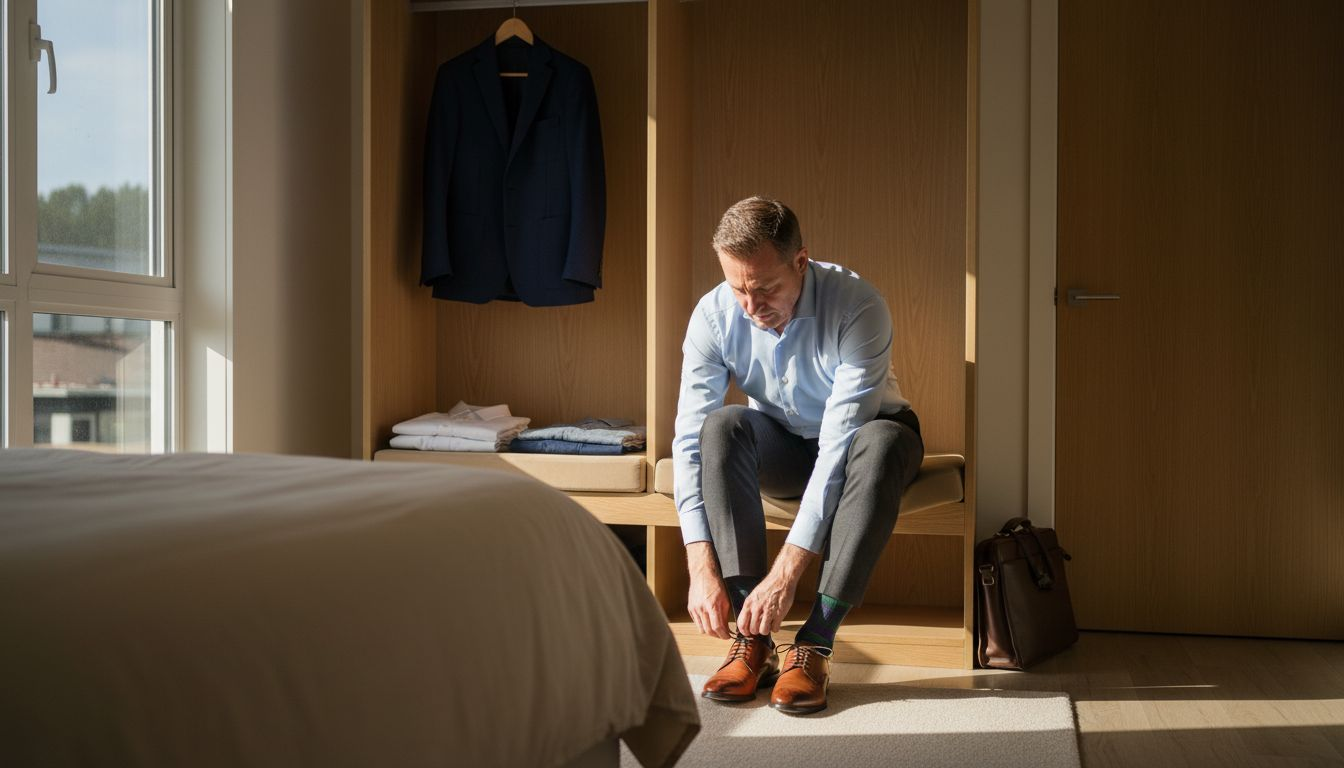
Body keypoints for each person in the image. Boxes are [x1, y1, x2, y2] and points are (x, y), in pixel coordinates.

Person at [672, 196, 924, 715]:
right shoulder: (714, 314)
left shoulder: (858, 306)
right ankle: (754, 636)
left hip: (866, 442)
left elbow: (838, 444)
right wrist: (700, 565)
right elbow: (688, 440)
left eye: (765, 287)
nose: (750, 304)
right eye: (738, 287)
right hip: (784, 443)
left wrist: (786, 575)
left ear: (801, 262)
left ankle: (815, 643)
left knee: (879, 443)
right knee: (721, 426)